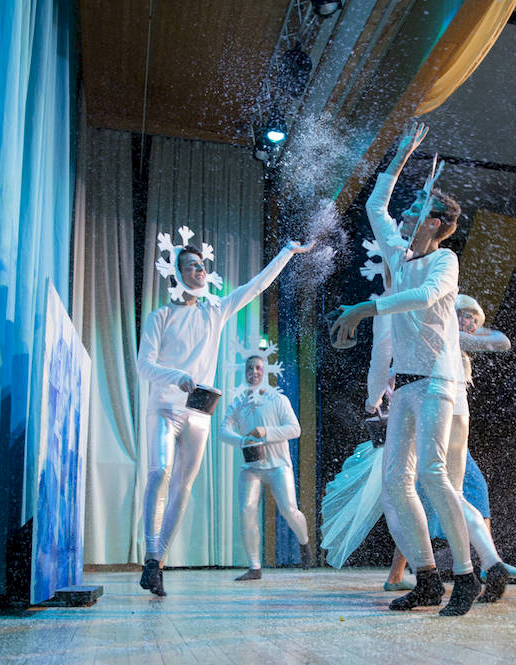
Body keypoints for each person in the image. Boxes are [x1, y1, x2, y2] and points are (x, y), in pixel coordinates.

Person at [329, 120, 481, 616]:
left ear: (434, 223)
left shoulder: (445, 262)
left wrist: (364, 308)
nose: (406, 211)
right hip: (408, 386)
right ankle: (427, 578)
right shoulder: (397, 252)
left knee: (435, 475)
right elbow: (375, 205)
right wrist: (398, 158)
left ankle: (467, 576)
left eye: (417, 207)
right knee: (396, 482)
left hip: (439, 380)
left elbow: (426, 296)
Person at [137, 232, 313, 596]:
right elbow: (144, 365)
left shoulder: (214, 311)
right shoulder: (161, 316)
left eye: (202, 265)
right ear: (177, 273)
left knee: (183, 486)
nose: (200, 271)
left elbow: (256, 286)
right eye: (191, 266)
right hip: (166, 408)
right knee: (159, 471)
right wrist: (178, 376)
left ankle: (158, 564)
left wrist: (286, 251)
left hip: (198, 415)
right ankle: (150, 555)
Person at [382, 294, 516, 600]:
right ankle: (479, 564)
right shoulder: (440, 333)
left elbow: (502, 342)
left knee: (445, 494)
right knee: (420, 497)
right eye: (465, 316)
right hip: (429, 424)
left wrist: (474, 330)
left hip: (448, 423)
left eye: (475, 320)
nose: (470, 323)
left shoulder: (451, 342)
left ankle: (488, 564)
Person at [220, 350, 309, 581]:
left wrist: (266, 432)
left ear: (265, 371)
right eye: (250, 368)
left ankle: (304, 542)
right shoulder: (238, 402)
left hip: (279, 466)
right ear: (244, 372)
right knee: (246, 512)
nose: (254, 372)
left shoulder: (278, 400)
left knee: (289, 510)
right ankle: (255, 566)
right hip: (252, 467)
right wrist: (242, 441)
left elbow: (295, 429)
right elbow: (223, 431)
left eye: (258, 368)